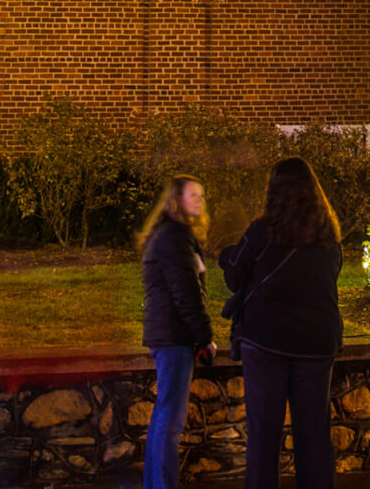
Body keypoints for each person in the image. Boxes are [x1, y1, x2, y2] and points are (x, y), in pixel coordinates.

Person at [220, 156, 342, 489]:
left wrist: (225, 256)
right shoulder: (328, 235)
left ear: (274, 191)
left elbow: (235, 276)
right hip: (317, 343)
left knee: (264, 433)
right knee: (314, 433)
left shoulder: (261, 232)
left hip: (266, 342)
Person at [139, 175, 216, 489]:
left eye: (201, 194)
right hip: (173, 337)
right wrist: (204, 336)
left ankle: (156, 483)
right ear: (176, 200)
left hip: (169, 334)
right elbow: (186, 291)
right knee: (170, 420)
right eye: (192, 195)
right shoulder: (174, 237)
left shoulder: (170, 235)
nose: (199, 200)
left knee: (164, 416)